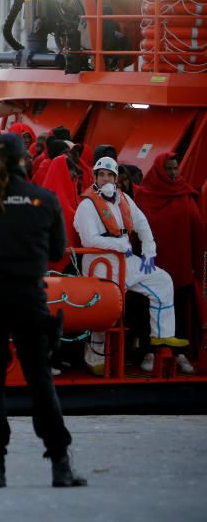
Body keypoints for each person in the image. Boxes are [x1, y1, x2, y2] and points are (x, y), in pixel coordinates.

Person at [0, 133, 86, 489]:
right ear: (24, 160)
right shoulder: (44, 199)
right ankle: (59, 462)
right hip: (28, 295)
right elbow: (58, 249)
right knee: (40, 379)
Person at [74, 156, 189, 375]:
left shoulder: (124, 199)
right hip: (101, 264)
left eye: (109, 175)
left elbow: (142, 224)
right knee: (104, 310)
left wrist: (149, 251)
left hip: (126, 261)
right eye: (101, 175)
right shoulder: (86, 206)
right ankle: (94, 359)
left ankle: (162, 334)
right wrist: (118, 244)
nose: (105, 178)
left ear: (116, 178)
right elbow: (90, 239)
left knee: (162, 280)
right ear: (95, 177)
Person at [135, 153, 204, 374]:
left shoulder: (185, 193)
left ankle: (180, 353)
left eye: (176, 169)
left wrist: (197, 264)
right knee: (149, 309)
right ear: (159, 170)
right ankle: (150, 351)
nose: (174, 174)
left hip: (181, 266)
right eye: (170, 169)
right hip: (152, 266)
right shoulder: (145, 196)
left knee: (180, 309)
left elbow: (198, 230)